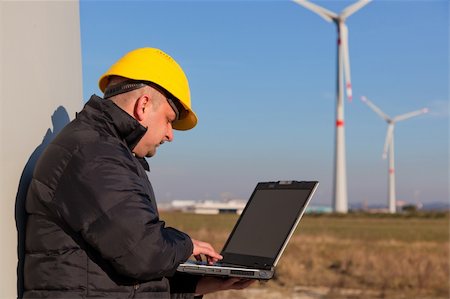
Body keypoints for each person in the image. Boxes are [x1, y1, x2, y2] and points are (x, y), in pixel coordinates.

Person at [23, 47, 253, 298]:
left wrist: (208, 284)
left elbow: (132, 277)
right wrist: (185, 244)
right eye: (169, 119)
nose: (170, 135)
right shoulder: (94, 154)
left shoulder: (105, 151)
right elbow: (143, 253)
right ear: (143, 105)